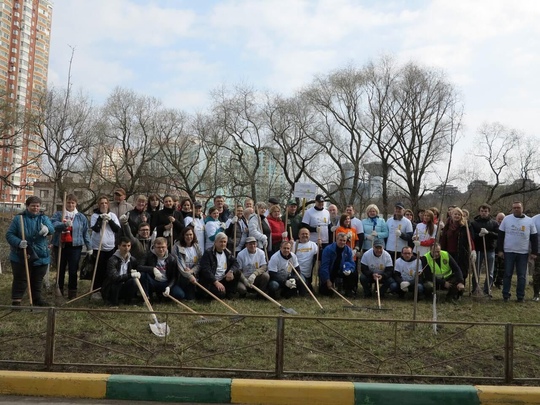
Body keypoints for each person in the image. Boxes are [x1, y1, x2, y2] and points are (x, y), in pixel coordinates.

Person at [6, 196, 55, 306]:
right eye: (33, 206)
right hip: (21, 254)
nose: (35, 208)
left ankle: (36, 300)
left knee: (37, 279)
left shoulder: (43, 218)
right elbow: (9, 235)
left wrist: (47, 229)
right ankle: (16, 301)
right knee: (21, 278)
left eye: (37, 206)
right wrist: (18, 242)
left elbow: (52, 229)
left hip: (40, 254)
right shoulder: (19, 219)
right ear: (27, 206)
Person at [51, 193, 92, 299]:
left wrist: (89, 246)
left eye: (72, 202)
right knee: (60, 268)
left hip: (75, 246)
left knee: (73, 270)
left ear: (76, 204)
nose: (70, 204)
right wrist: (64, 224)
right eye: (68, 202)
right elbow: (53, 225)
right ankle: (59, 291)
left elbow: (85, 232)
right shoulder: (59, 214)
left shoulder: (81, 217)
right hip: (60, 245)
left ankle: (72, 292)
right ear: (65, 203)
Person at [497, 201, 538, 302]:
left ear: (522, 208)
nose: (516, 209)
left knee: (522, 275)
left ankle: (520, 296)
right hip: (508, 251)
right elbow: (500, 236)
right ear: (512, 209)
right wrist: (500, 250)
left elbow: (534, 238)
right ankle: (506, 295)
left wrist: (534, 252)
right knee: (507, 274)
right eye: (514, 208)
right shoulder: (506, 219)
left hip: (523, 252)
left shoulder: (529, 221)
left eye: (518, 208)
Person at [90, 196, 121, 299]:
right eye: (101, 203)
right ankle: (96, 290)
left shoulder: (112, 215)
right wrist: (100, 219)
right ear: (99, 205)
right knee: (98, 269)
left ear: (108, 205)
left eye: (105, 203)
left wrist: (109, 220)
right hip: (98, 247)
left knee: (109, 269)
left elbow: (117, 229)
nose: (104, 205)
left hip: (110, 247)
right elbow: (95, 229)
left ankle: (107, 289)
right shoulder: (95, 216)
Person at [138, 237, 185, 301]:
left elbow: (174, 277)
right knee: (143, 274)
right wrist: (153, 269)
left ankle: (162, 295)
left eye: (163, 247)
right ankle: (147, 297)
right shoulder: (148, 255)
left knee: (180, 294)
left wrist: (169, 287)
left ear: (166, 247)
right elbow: (139, 267)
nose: (161, 249)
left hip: (166, 282)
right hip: (153, 281)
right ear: (154, 247)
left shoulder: (172, 259)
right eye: (158, 247)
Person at [198, 232, 244, 299]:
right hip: (211, 281)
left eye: (224, 242)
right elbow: (206, 270)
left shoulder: (227, 252)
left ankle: (230, 293)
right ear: (215, 242)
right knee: (220, 294)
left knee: (237, 272)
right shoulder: (208, 253)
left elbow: (236, 263)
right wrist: (215, 282)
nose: (223, 244)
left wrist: (231, 271)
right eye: (221, 242)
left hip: (223, 278)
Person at [440, 207, 474, 288]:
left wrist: (473, 250)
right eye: (455, 214)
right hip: (448, 252)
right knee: (451, 271)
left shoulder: (464, 226)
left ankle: (460, 290)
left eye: (459, 214)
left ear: (461, 216)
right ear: (451, 215)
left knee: (461, 271)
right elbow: (443, 239)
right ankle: (451, 289)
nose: (457, 216)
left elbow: (470, 239)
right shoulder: (447, 225)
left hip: (461, 253)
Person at [102, 237, 140, 306]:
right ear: (119, 246)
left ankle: (128, 301)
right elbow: (114, 278)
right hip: (112, 288)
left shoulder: (132, 259)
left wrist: (152, 269)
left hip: (124, 286)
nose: (126, 248)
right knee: (117, 282)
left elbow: (139, 267)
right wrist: (130, 275)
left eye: (128, 246)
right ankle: (113, 303)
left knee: (133, 282)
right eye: (124, 246)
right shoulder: (112, 260)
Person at [470, 203, 499, 295]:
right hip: (478, 250)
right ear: (479, 212)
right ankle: (475, 289)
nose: (483, 213)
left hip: (490, 250)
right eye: (482, 211)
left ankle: (487, 290)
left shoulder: (494, 223)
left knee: (489, 272)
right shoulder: (474, 223)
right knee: (476, 271)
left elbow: (498, 235)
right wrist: (478, 235)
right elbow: (472, 236)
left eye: (485, 211)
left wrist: (488, 233)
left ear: (489, 212)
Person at [319, 232, 357, 297]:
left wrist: (349, 269)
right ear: (336, 240)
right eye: (340, 240)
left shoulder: (348, 250)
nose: (342, 242)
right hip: (331, 270)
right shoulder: (328, 249)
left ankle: (349, 290)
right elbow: (324, 266)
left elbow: (352, 263)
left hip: (342, 270)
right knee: (325, 292)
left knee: (354, 273)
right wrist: (327, 280)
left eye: (344, 241)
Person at [172, 227, 202, 301]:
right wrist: (189, 275)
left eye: (191, 234)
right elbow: (180, 264)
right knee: (182, 295)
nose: (189, 237)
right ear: (183, 236)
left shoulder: (196, 246)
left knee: (191, 298)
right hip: (181, 275)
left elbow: (200, 262)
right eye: (187, 235)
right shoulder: (177, 246)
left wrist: (192, 271)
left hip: (194, 273)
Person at [292, 228, 318, 294]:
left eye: (306, 234)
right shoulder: (294, 245)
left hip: (308, 272)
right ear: (299, 235)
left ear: (309, 235)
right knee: (303, 290)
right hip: (298, 272)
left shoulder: (314, 245)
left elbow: (318, 256)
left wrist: (320, 246)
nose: (305, 235)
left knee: (307, 287)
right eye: (302, 234)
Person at [493, 212, 505, 288]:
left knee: (502, 268)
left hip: (504, 250)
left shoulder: (506, 227)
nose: (500, 220)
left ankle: (499, 282)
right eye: (499, 219)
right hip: (494, 250)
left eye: (502, 219)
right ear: (496, 218)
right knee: (493, 268)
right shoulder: (493, 226)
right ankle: (491, 281)